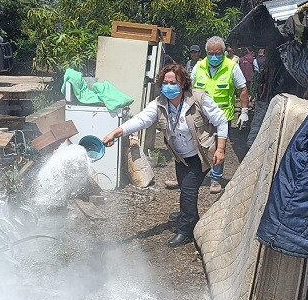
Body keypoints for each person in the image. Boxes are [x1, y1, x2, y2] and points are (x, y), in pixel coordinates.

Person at [102, 63, 228, 247]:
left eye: (173, 82)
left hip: (200, 155)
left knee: (188, 191)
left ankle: (185, 231)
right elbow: (141, 120)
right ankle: (192, 218)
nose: (168, 86)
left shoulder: (198, 99)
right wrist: (116, 132)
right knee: (187, 192)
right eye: (165, 82)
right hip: (180, 156)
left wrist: (221, 149)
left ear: (183, 83)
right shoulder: (160, 104)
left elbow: (221, 120)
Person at [190, 36, 249, 194]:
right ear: (206, 52)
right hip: (201, 114)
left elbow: (242, 89)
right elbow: (188, 86)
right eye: (211, 53)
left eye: (217, 53)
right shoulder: (199, 66)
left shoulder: (232, 67)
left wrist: (244, 111)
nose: (214, 57)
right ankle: (193, 174)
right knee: (195, 144)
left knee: (218, 146)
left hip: (222, 115)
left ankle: (215, 178)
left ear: (224, 53)